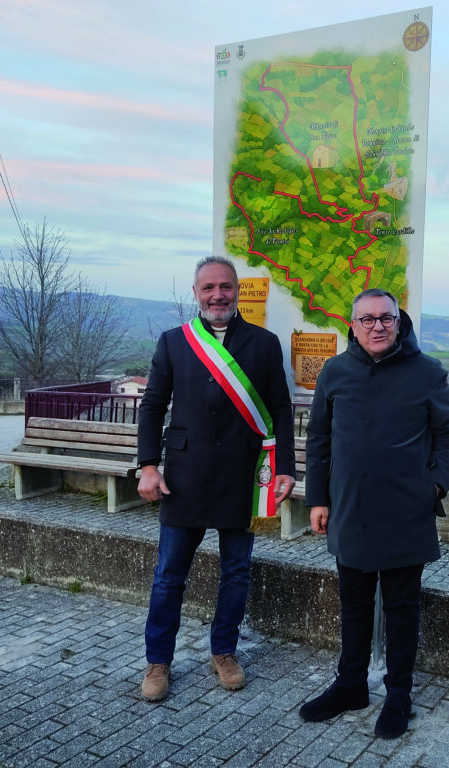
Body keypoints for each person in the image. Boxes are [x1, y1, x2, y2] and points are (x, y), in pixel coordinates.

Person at [298, 288, 449, 738]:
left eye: (386, 318)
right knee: (352, 605)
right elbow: (319, 443)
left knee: (402, 608)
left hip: (405, 512)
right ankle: (350, 685)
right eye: (367, 319)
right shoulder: (334, 372)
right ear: (353, 325)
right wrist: (317, 500)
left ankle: (399, 696)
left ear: (399, 322)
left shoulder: (427, 373)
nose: (377, 326)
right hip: (348, 509)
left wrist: (434, 484)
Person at [136, 255, 296, 702]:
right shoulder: (174, 342)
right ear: (196, 293)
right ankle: (157, 662)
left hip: (242, 478)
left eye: (225, 286)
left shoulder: (265, 344)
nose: (218, 295)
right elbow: (151, 406)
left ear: (237, 290)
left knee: (237, 572)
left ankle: (224, 651)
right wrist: (148, 465)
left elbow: (280, 409)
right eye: (208, 288)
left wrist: (285, 467)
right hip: (183, 477)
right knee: (169, 575)